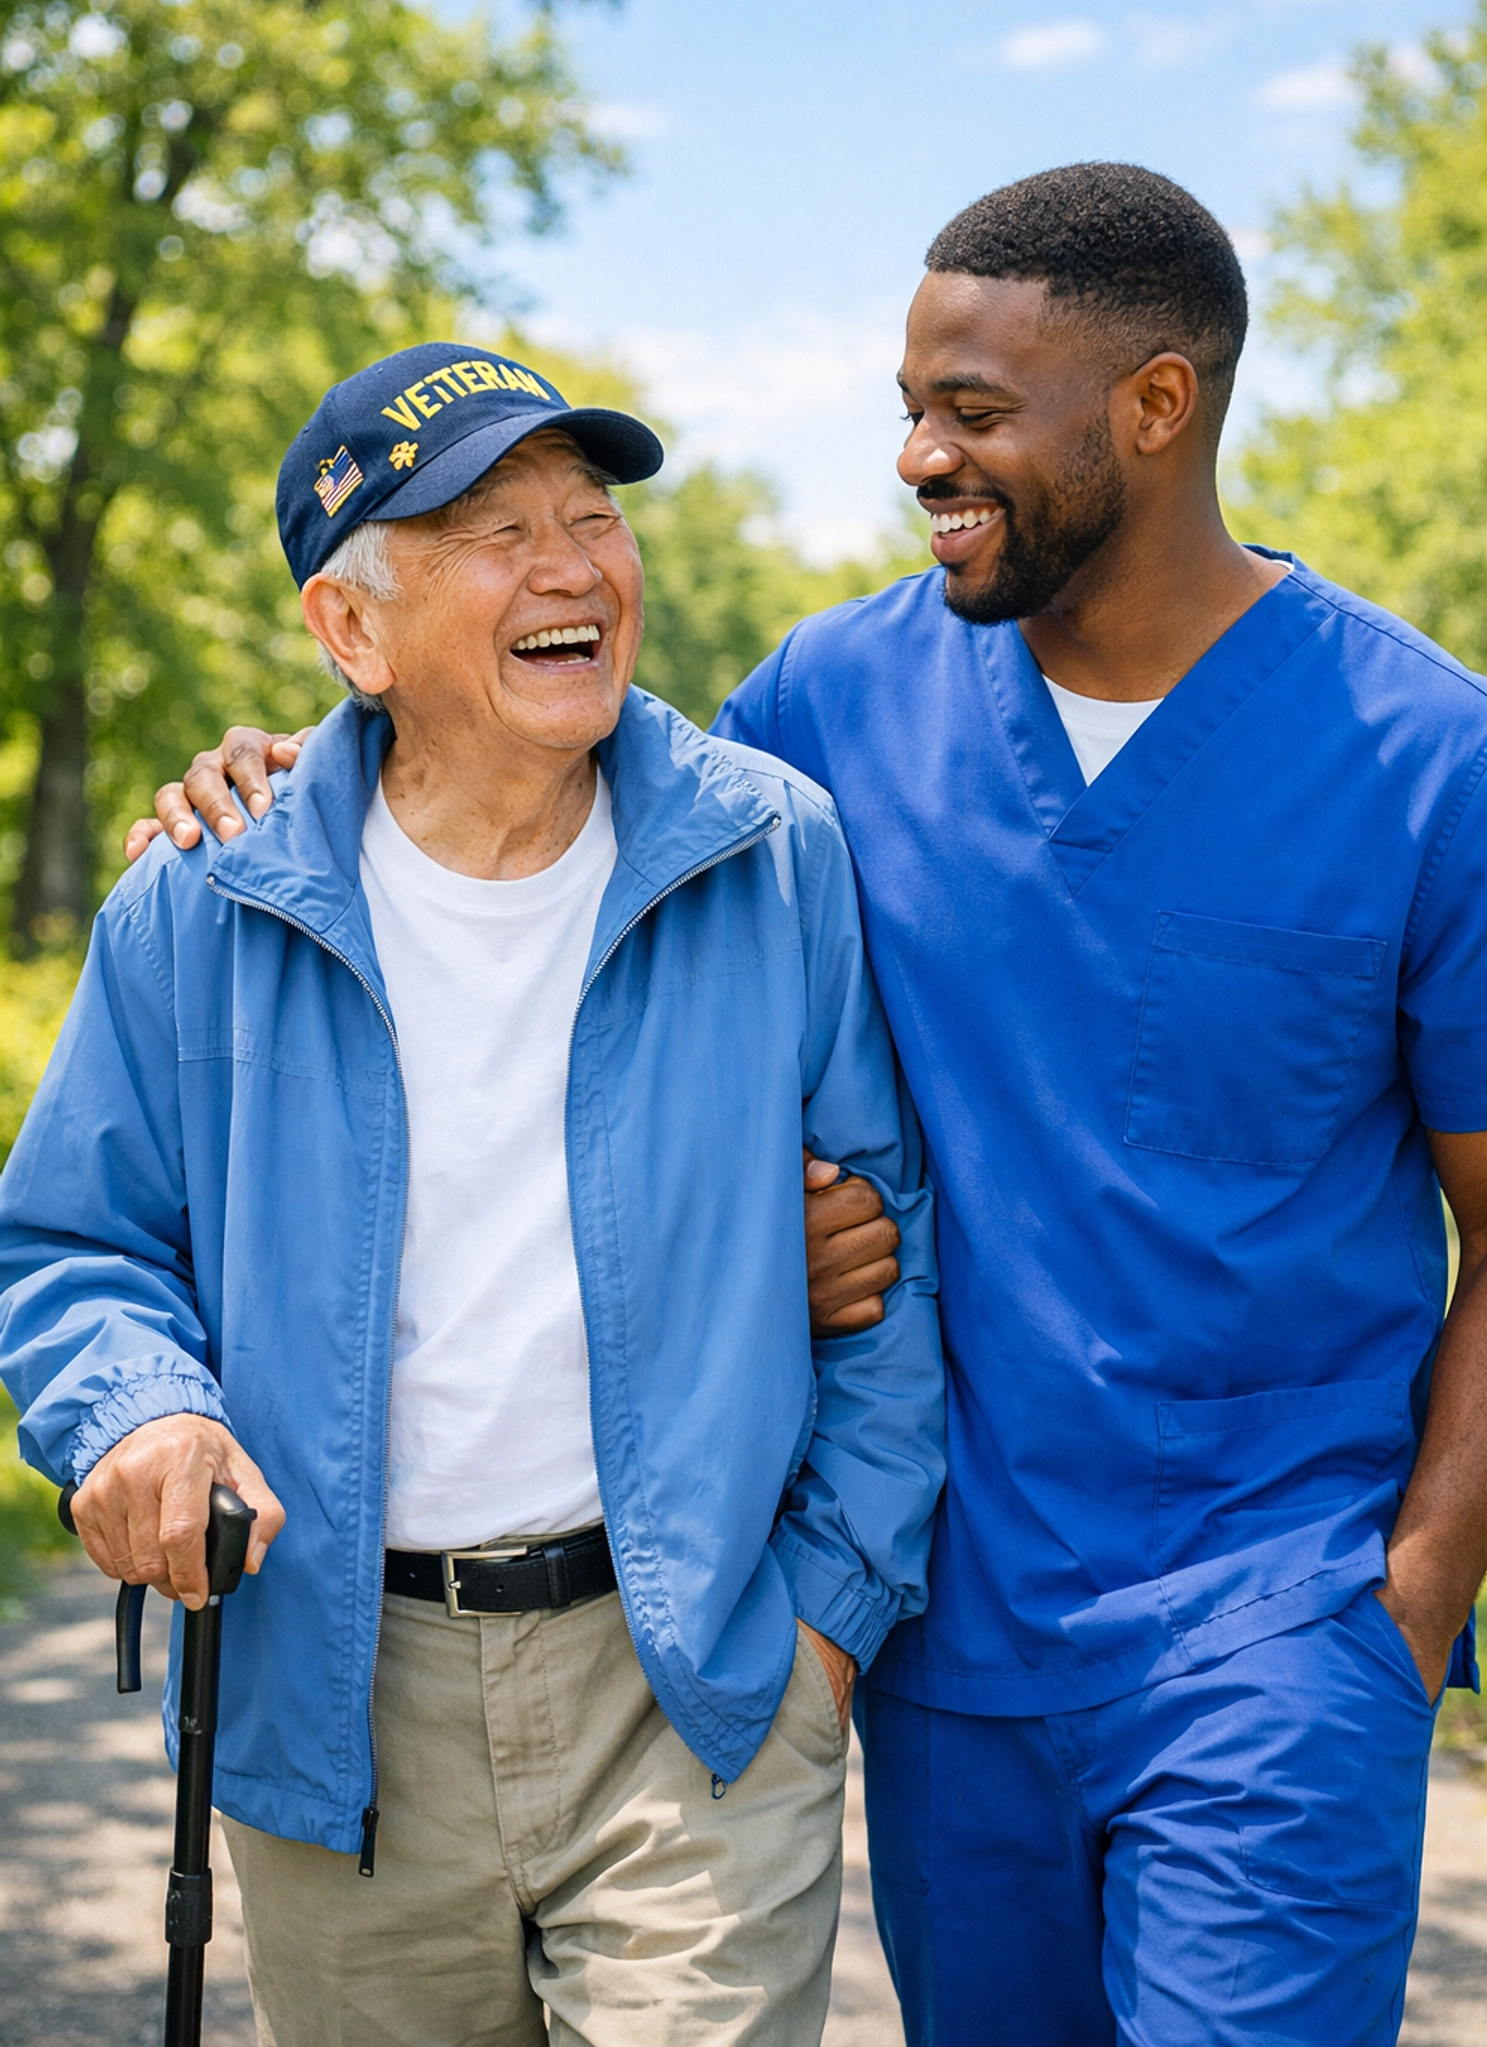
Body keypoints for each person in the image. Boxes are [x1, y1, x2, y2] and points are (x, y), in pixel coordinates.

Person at [129, 163, 1487, 2046]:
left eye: (970, 413)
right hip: (951, 1649)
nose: (917, 458)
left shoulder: (1438, 761)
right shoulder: (832, 704)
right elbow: (544, 779)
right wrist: (285, 766)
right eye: (905, 410)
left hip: (1275, 1636)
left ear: (1156, 405)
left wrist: (1413, 1603)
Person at [0, 343, 946, 2047]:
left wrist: (830, 1621)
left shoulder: (766, 851)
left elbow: (889, 1245)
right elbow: (74, 1243)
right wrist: (138, 1413)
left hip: (696, 1683)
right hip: (334, 1692)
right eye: (491, 532)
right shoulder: (206, 903)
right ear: (351, 632)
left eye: (592, 516)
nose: (575, 565)